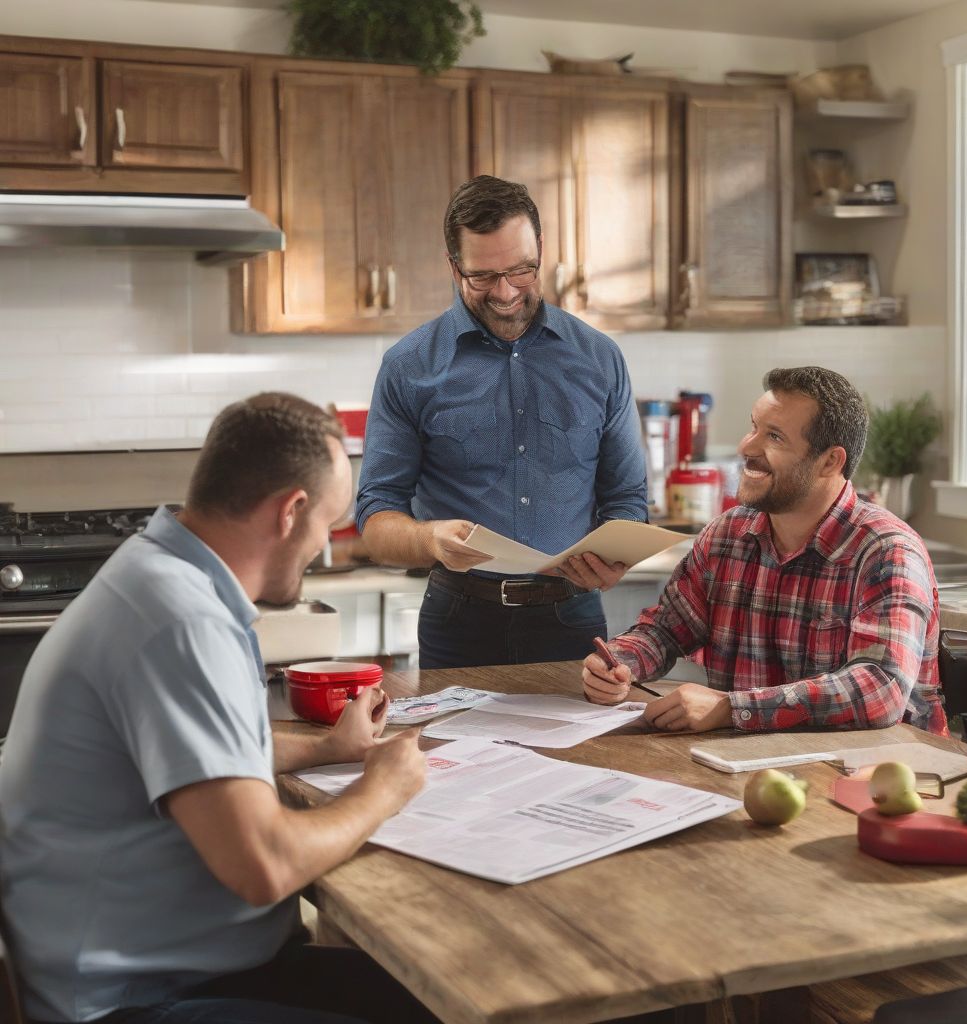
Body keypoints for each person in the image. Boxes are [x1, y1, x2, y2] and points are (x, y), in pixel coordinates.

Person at [0, 393, 434, 1024]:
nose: (323, 546)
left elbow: (174, 755)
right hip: (134, 1001)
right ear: (291, 511)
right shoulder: (182, 622)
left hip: (183, 968)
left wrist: (323, 750)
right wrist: (381, 792)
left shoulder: (158, 571)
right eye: (328, 525)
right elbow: (265, 866)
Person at [356, 174, 648, 670]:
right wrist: (430, 540)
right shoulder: (409, 367)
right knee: (451, 750)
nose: (507, 292)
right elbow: (375, 514)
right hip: (458, 622)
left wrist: (614, 556)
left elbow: (627, 500)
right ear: (454, 267)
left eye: (522, 270)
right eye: (484, 277)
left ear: (541, 251)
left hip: (572, 618)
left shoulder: (600, 359)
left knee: (584, 751)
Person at [582, 366, 948, 737]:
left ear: (830, 461)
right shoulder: (727, 534)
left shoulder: (887, 552)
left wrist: (732, 708)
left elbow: (879, 690)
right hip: (745, 765)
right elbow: (665, 631)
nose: (746, 447)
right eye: (753, 426)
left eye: (773, 437)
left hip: (876, 777)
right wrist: (620, 663)